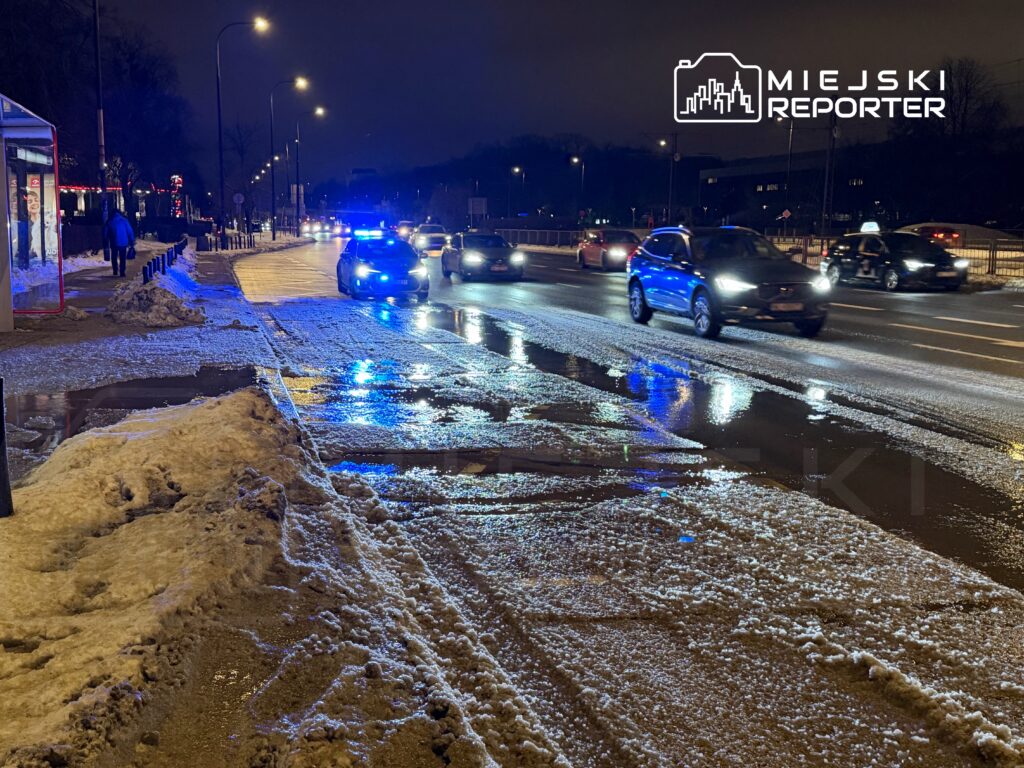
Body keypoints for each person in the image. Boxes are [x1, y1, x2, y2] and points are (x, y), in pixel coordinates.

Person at [105, 208, 135, 278]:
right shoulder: (124, 221)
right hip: (123, 243)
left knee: (114, 257)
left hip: (113, 242)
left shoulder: (110, 221)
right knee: (122, 257)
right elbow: (130, 231)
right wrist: (132, 241)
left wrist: (106, 240)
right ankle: (122, 272)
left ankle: (115, 270)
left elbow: (105, 233)